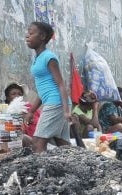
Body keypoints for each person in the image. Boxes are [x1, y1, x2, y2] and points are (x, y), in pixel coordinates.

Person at [24, 21, 71, 153]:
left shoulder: (49, 57)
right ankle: (82, 168)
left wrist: (66, 110)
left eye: (31, 33)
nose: (27, 36)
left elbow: (61, 84)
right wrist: (32, 111)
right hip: (54, 101)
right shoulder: (38, 58)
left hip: (56, 102)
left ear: (42, 36)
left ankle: (42, 173)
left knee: (38, 142)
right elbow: (42, 91)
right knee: (63, 145)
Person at [3, 82, 35, 147]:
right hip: (10, 140)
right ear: (8, 97)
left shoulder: (29, 108)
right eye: (13, 94)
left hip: (31, 140)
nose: (17, 96)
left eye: (20, 94)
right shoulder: (3, 111)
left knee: (23, 138)